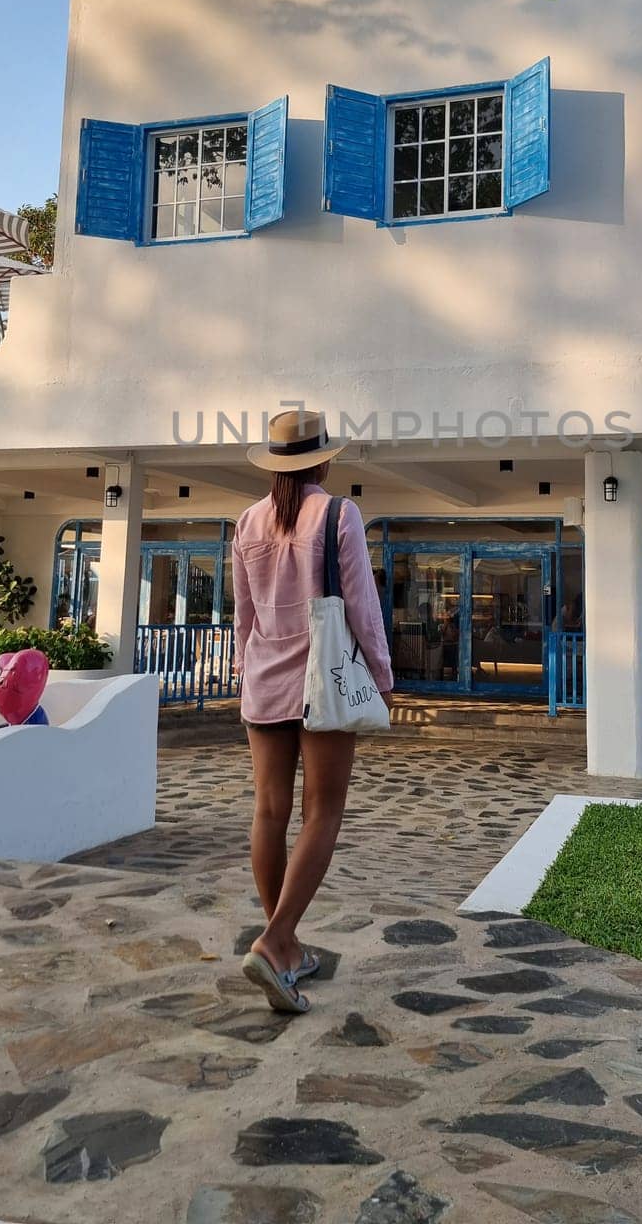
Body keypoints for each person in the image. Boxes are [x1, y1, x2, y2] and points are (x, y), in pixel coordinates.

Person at [233, 408, 393, 1015]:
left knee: (268, 812)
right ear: (323, 460)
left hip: (264, 681)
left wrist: (247, 676)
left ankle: (288, 944)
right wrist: (381, 675)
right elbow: (362, 606)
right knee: (322, 811)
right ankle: (275, 942)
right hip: (321, 681)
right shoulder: (338, 513)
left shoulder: (246, 522)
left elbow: (244, 615)